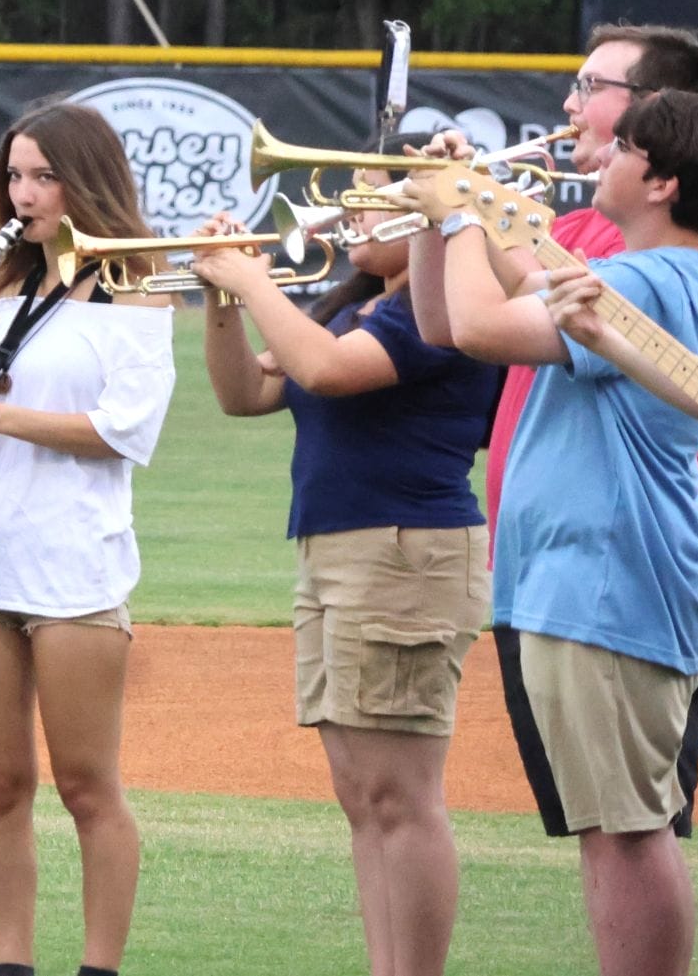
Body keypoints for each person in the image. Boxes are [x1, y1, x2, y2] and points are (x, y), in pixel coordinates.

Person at [396, 89, 698, 976]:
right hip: (589, 579)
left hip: (610, 578)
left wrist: (461, 207)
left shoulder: (648, 280)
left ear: (663, 183)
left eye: (625, 146)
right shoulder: (645, 275)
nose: (606, 155)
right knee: (611, 825)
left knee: (628, 828)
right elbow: (445, 319)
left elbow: (478, 325)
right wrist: (440, 214)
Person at [188, 168, 499, 976]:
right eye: (351, 196)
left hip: (403, 552)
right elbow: (242, 393)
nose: (351, 213)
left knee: (402, 797)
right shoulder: (351, 307)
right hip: (341, 550)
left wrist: (252, 279)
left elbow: (324, 369)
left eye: (374, 198)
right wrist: (221, 296)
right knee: (363, 798)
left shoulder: (431, 312)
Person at [0, 101, 171, 976]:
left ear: (86, 181)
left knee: (88, 787)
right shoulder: (5, 288)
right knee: (0, 785)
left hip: (74, 564)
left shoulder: (136, 291)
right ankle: (10, 965)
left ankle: (97, 967)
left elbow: (123, 431)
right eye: (15, 175)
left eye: (45, 176)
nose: (25, 193)